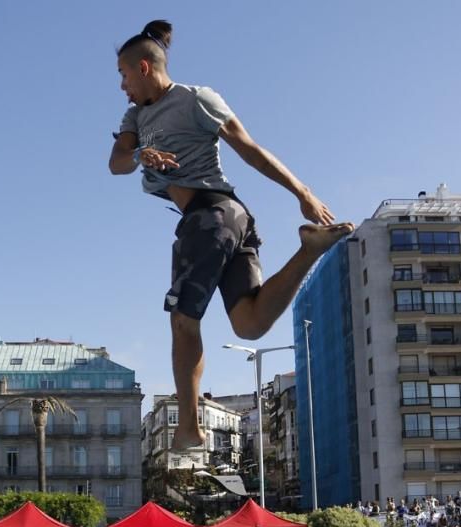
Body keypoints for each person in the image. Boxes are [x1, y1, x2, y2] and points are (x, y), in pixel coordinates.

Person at [109, 20, 353, 451]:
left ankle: (187, 426)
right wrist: (139, 152)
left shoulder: (196, 99)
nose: (123, 87)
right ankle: (308, 251)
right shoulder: (135, 117)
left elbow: (249, 148)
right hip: (230, 220)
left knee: (183, 320)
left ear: (144, 68)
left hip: (209, 216)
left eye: (124, 76)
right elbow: (116, 163)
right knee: (250, 323)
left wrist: (303, 192)